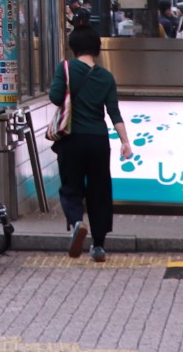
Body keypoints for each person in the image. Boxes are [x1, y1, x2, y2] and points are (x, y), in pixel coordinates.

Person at [49, 25, 133, 262]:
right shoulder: (106, 77)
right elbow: (114, 113)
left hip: (72, 138)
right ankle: (98, 246)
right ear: (97, 48)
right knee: (100, 190)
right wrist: (125, 142)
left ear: (73, 47)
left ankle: (77, 222)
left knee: (70, 186)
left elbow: (55, 97)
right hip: (98, 139)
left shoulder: (65, 68)